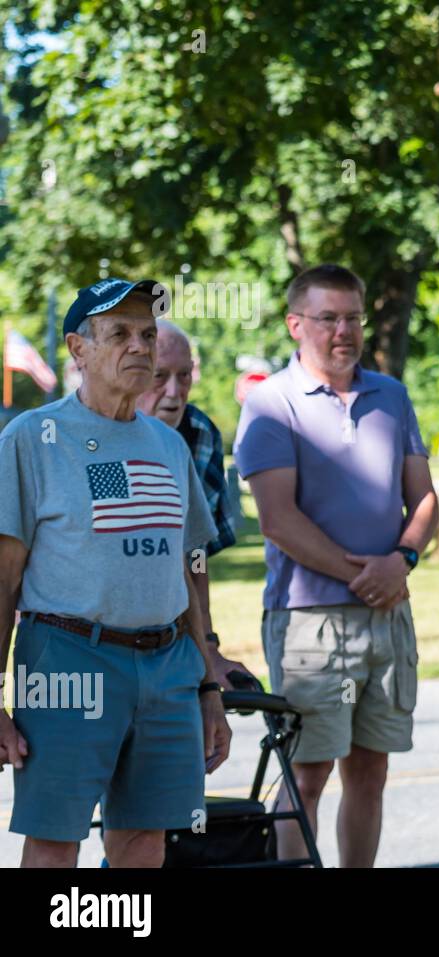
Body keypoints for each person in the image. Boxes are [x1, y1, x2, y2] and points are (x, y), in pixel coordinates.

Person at [0, 278, 232, 867]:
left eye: (148, 335)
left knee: (144, 841)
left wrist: (208, 684)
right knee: (55, 839)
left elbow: (187, 576)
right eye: (121, 334)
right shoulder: (31, 438)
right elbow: (3, 582)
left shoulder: (167, 445)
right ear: (79, 350)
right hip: (67, 656)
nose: (140, 347)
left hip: (167, 664)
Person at [234, 263, 438, 868]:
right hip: (310, 620)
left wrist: (402, 559)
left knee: (370, 772)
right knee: (308, 774)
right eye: (328, 318)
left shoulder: (391, 395)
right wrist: (364, 574)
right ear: (297, 324)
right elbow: (277, 519)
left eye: (352, 316)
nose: (342, 330)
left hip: (388, 615)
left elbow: (423, 498)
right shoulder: (272, 403)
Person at [135, 318, 249, 687]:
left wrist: (209, 648)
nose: (173, 392)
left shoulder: (198, 434)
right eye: (159, 376)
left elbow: (194, 555)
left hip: (170, 635)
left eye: (184, 376)